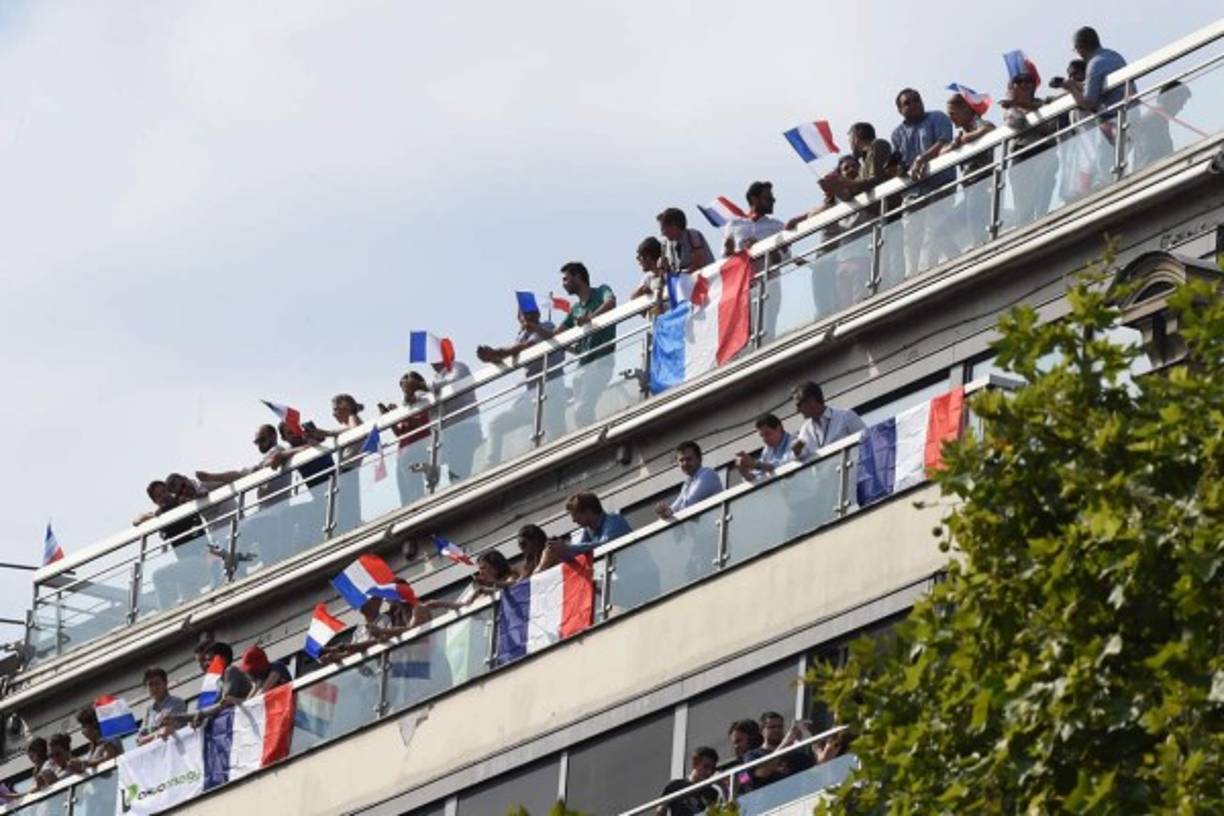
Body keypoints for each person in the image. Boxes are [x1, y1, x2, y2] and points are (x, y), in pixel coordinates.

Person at [525, 263, 618, 427]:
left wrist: (590, 318)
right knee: (580, 414)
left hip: (601, 362)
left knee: (581, 410)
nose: (563, 284)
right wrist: (535, 327)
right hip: (582, 368)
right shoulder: (575, 309)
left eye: (566, 279)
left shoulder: (601, 291)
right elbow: (556, 335)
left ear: (578, 277)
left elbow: (611, 302)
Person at [194, 423, 293, 571]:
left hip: (275, 513)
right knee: (238, 535)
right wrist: (211, 477)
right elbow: (240, 475)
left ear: (273, 437)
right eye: (256, 442)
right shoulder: (264, 460)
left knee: (240, 533)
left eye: (262, 440)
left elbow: (268, 463)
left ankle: (236, 569)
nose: (259, 445)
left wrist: (212, 477)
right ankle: (239, 567)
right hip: (266, 514)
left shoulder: (277, 450)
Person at [476, 302, 565, 465]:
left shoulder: (546, 326)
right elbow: (512, 353)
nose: (528, 317)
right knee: (496, 424)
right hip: (531, 399)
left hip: (552, 394)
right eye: (524, 314)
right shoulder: (521, 336)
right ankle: (491, 463)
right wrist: (493, 357)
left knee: (556, 440)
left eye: (531, 312)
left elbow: (526, 347)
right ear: (519, 319)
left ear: (538, 314)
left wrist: (497, 352)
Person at [891, 88, 957, 276]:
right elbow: (900, 163)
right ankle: (913, 274)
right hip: (913, 192)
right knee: (911, 236)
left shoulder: (938, 118)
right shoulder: (897, 134)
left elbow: (944, 142)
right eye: (907, 103)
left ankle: (935, 269)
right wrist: (898, 170)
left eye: (916, 100)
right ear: (900, 110)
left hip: (940, 184)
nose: (913, 104)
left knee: (937, 230)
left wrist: (922, 158)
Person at [723, 181, 786, 340]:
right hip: (743, 288)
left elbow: (785, 257)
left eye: (772, 199)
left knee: (768, 332)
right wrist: (731, 251)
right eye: (768, 199)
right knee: (744, 334)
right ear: (754, 199)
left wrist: (761, 247)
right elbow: (725, 260)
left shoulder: (777, 226)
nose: (773, 201)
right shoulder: (734, 225)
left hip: (769, 285)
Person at [1001, 72, 1059, 225]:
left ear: (1034, 86)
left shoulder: (1045, 104)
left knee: (1042, 201)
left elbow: (1049, 128)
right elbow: (1017, 122)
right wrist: (1015, 104)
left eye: (1028, 82)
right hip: (1021, 155)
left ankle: (1043, 224)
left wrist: (1022, 105)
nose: (1024, 85)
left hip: (1044, 150)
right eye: (1018, 83)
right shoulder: (1011, 110)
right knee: (1023, 209)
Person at [940, 93, 995, 250]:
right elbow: (942, 153)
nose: (951, 118)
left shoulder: (977, 123)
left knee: (978, 233)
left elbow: (990, 128)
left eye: (953, 113)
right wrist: (954, 145)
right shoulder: (961, 134)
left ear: (965, 109)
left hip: (982, 187)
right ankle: (958, 258)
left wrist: (966, 139)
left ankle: (982, 253)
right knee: (940, 233)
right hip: (969, 190)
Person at [379, 371, 434, 505]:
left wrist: (400, 415)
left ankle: (420, 508)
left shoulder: (425, 401)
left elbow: (422, 425)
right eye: (403, 388)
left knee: (415, 491)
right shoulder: (406, 407)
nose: (405, 391)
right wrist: (391, 419)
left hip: (418, 449)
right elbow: (400, 434)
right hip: (403, 453)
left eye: (407, 387)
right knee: (405, 496)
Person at [541, 492, 632, 568]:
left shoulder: (614, 520)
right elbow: (579, 554)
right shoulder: (589, 530)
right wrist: (559, 551)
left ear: (588, 511)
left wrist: (567, 547)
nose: (573, 520)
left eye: (575, 514)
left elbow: (604, 545)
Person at [790, 382, 866, 461]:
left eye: (798, 405)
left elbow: (866, 439)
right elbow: (796, 455)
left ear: (811, 400)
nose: (797, 410)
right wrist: (795, 449)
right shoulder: (805, 430)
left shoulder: (845, 416)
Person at [1066, 26, 1128, 120]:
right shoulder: (1115, 55)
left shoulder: (1094, 65)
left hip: (1116, 118)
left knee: (1076, 113)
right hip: (1132, 111)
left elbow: (1088, 103)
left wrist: (1071, 88)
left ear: (1080, 48)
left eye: (1076, 49)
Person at [1130, 80, 1192, 172]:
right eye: (1181, 102)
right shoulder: (1152, 121)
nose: (1181, 108)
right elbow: (1150, 159)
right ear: (1171, 98)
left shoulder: (1159, 120)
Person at [655, 441, 723, 520]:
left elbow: (689, 503)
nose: (685, 463)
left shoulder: (707, 474)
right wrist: (665, 512)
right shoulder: (687, 484)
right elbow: (675, 507)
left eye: (689, 459)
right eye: (681, 460)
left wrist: (670, 513)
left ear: (699, 459)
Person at [428, 551, 515, 610]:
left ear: (496, 567)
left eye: (483, 568)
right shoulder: (479, 591)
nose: (480, 572)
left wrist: (490, 585)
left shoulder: (511, 577)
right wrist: (440, 603)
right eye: (479, 569)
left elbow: (512, 586)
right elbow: (463, 605)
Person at [655, 746, 723, 816]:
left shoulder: (712, 793)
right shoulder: (675, 786)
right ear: (694, 763)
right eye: (706, 767)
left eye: (712, 769)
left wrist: (723, 786)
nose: (709, 772)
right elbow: (660, 811)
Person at [321, 597, 391, 660]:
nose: (361, 602)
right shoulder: (359, 629)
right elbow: (352, 651)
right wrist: (336, 657)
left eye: (365, 599)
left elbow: (376, 641)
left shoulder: (384, 619)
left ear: (377, 602)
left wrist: (343, 647)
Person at [136, 667, 188, 744]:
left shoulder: (177, 703)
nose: (154, 688)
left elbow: (171, 730)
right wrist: (157, 734)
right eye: (150, 684)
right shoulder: (149, 711)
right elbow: (139, 740)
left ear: (165, 683)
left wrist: (151, 737)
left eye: (157, 683)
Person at [735, 414, 793, 483]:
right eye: (762, 436)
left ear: (779, 428)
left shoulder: (795, 440)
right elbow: (758, 476)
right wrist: (744, 472)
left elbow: (786, 463)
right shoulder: (767, 451)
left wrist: (755, 464)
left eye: (767, 434)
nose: (765, 439)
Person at [198, 642, 254, 712]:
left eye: (210, 659)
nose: (206, 664)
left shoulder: (231, 671)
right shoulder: (219, 680)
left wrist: (203, 714)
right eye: (205, 661)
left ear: (223, 658)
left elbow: (224, 702)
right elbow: (215, 703)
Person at [658, 207, 714, 276]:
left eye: (663, 229)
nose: (663, 233)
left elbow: (699, 260)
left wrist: (684, 274)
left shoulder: (692, 235)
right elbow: (674, 271)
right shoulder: (668, 245)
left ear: (674, 225)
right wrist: (665, 268)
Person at [70, 707, 122, 773]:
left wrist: (85, 763)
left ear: (93, 725)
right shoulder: (92, 747)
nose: (82, 732)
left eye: (84, 726)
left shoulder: (108, 743)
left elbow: (109, 759)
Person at [630, 236, 666, 302]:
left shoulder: (668, 273)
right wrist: (642, 291)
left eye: (640, 256)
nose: (638, 259)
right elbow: (632, 297)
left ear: (648, 257)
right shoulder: (648, 277)